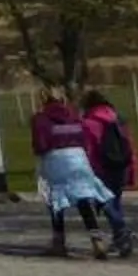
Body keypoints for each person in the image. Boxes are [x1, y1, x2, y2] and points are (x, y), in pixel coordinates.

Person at [30, 92, 115, 257]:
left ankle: (59, 242)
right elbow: (83, 137)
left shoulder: (40, 119)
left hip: (56, 158)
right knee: (83, 198)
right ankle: (96, 240)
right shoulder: (73, 115)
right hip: (78, 157)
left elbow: (40, 143)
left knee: (56, 200)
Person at [83, 94, 138, 257]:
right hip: (121, 165)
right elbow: (129, 143)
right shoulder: (119, 119)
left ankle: (123, 232)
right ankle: (120, 239)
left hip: (102, 168)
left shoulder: (88, 123)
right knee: (115, 202)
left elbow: (89, 150)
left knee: (103, 202)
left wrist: (89, 170)